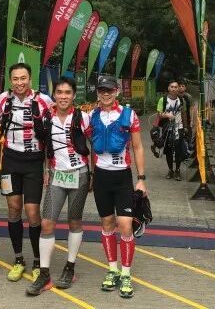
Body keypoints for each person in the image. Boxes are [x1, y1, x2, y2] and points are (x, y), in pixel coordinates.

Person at [26, 76, 91, 296]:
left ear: (74, 95)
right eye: (60, 92)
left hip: (80, 175)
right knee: (47, 223)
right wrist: (46, 170)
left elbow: (95, 143)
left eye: (67, 93)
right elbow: (45, 145)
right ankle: (44, 274)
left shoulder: (83, 117)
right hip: (56, 176)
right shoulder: (47, 116)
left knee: (74, 221)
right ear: (54, 95)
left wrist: (94, 173)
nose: (63, 96)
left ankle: (70, 268)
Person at [87, 74, 147, 298]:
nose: (105, 94)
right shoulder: (91, 116)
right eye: (102, 90)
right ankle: (112, 269)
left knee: (125, 225)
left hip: (122, 177)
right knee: (107, 223)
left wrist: (141, 178)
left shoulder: (129, 115)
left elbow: (138, 147)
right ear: (97, 93)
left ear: (117, 92)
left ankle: (126, 273)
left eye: (109, 90)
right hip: (101, 177)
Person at [0, 63, 53, 282]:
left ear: (30, 79)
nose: (19, 83)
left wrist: (49, 167)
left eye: (23, 78)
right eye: (15, 79)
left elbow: (54, 129)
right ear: (11, 80)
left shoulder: (43, 100)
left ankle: (38, 260)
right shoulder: (3, 99)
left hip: (33, 162)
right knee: (13, 208)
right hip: (10, 161)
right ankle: (18, 259)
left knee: (32, 212)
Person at [156, 79, 188, 181]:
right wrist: (167, 115)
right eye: (172, 87)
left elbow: (184, 114)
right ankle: (170, 170)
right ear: (168, 88)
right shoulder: (163, 99)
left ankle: (178, 170)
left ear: (178, 88)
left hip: (179, 128)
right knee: (168, 150)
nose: (174, 89)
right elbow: (159, 114)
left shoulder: (181, 100)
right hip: (167, 129)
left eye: (176, 87)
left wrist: (186, 127)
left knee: (179, 150)